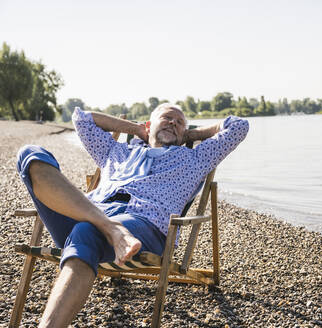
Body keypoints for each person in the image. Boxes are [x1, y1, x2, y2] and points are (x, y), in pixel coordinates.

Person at [16, 103, 249, 327]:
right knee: (30, 154)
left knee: (87, 231)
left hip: (142, 225)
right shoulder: (115, 151)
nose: (173, 123)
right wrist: (135, 129)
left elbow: (239, 126)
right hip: (87, 216)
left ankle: (105, 227)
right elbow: (83, 119)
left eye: (179, 122)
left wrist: (190, 135)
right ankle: (109, 227)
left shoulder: (194, 160)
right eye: (167, 118)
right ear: (148, 125)